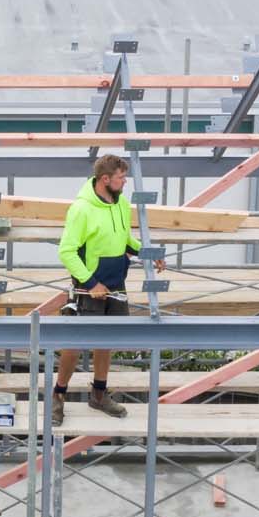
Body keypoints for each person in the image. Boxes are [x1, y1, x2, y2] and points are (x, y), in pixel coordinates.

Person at [53, 154, 163, 426]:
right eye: (121, 178)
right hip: (88, 287)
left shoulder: (121, 203)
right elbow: (66, 252)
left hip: (115, 284)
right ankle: (58, 396)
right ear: (105, 179)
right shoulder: (81, 209)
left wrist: (149, 252)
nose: (125, 182)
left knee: (107, 339)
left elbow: (125, 240)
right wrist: (90, 284)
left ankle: (99, 394)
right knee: (75, 343)